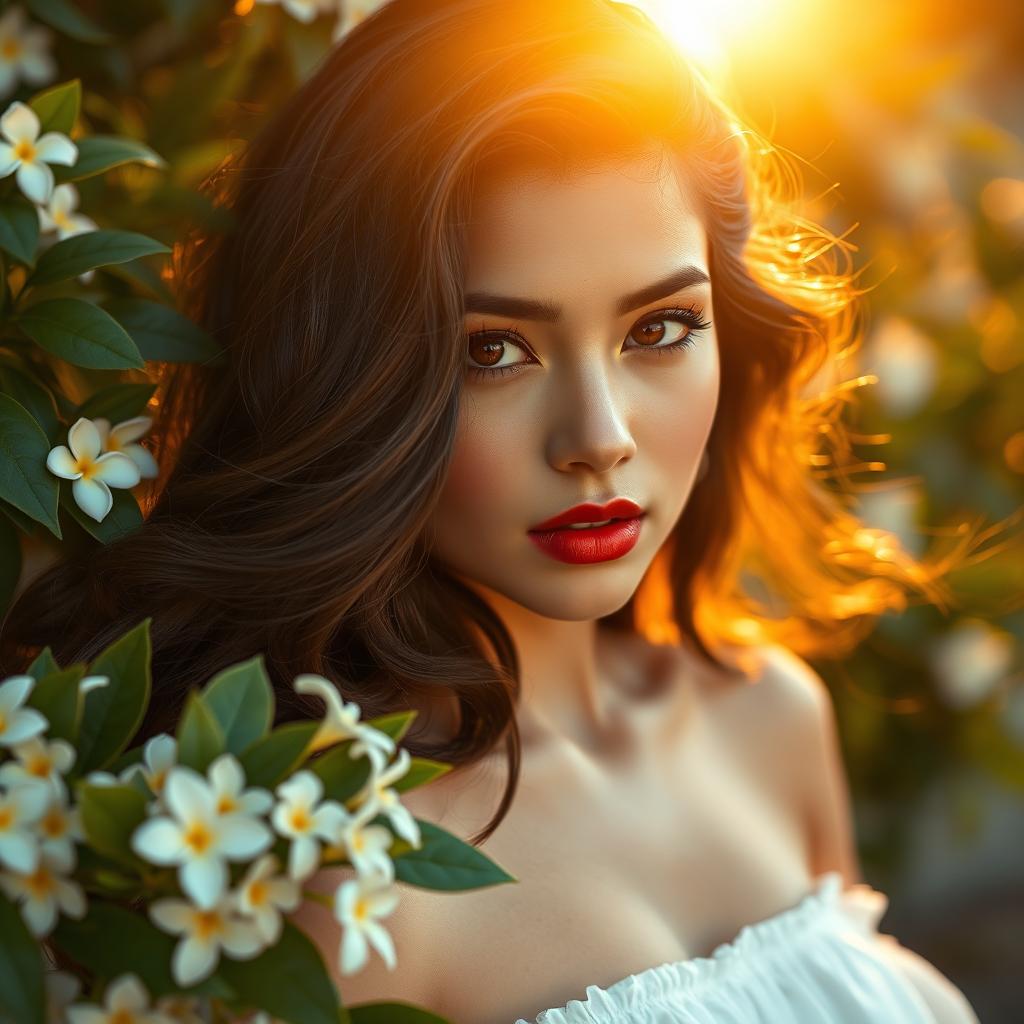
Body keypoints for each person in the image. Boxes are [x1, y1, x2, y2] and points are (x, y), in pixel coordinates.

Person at [0, 1, 985, 1021]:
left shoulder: (772, 718)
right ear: (344, 380)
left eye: (660, 326)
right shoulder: (341, 877)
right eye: (491, 349)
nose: (597, 436)